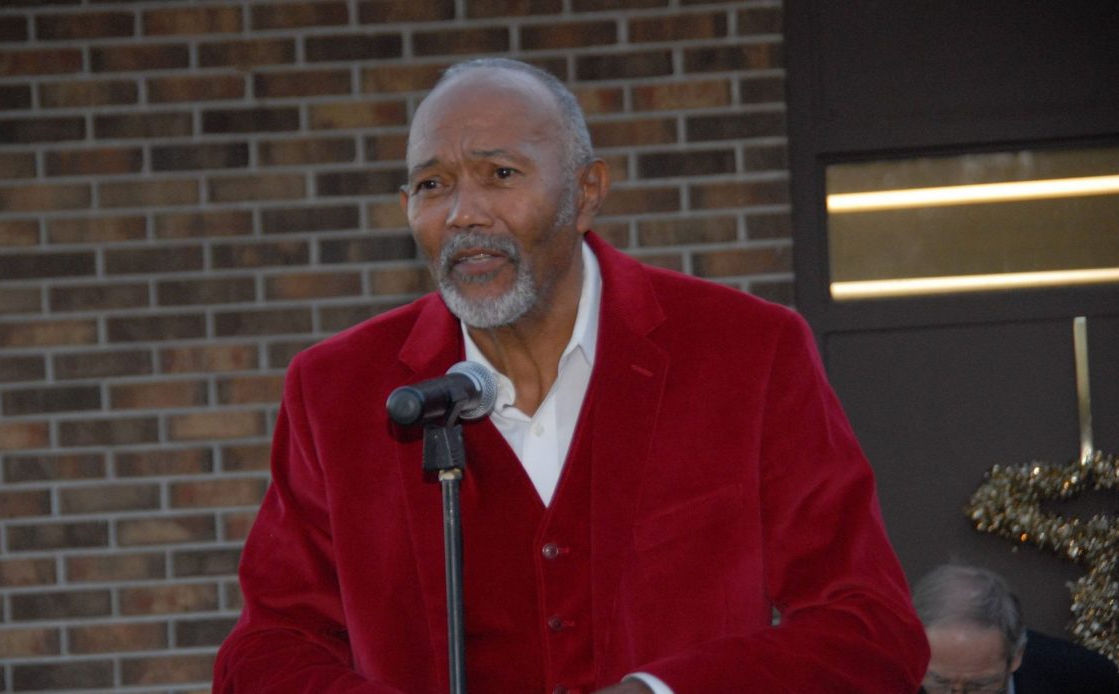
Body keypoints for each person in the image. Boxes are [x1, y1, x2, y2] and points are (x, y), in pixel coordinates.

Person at [213, 57, 928, 693]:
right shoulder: (334, 392)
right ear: (408, 210)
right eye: (433, 185)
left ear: (587, 193)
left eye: (501, 174)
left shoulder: (749, 351)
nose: (464, 214)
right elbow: (264, 653)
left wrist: (660, 692)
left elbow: (871, 628)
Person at [913, 564, 1119, 694]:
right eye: (940, 683)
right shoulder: (894, 682)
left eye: (979, 686)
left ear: (1017, 655)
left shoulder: (1084, 680)